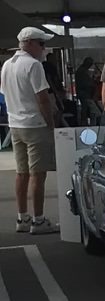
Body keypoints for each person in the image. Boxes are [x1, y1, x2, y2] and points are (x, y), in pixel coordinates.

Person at [1, 27, 61, 235]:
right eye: (42, 44)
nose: (44, 49)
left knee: (22, 173)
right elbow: (43, 98)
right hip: (34, 125)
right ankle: (38, 220)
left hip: (15, 124)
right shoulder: (34, 65)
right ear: (32, 44)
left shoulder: (8, 64)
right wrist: (51, 124)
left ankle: (22, 217)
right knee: (38, 174)